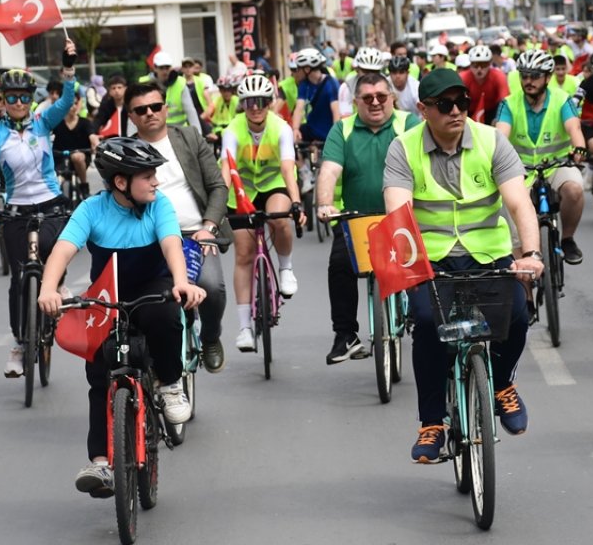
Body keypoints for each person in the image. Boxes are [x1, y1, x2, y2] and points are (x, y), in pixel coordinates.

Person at [382, 68, 543, 463]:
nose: (456, 111)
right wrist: (409, 269)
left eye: (462, 102)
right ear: (423, 109)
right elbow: (398, 214)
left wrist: (531, 255)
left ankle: (503, 384)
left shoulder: (491, 141)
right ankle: (431, 423)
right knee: (425, 324)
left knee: (518, 316)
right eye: (444, 104)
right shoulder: (403, 148)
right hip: (431, 259)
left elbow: (519, 203)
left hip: (488, 254)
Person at [37, 137, 206, 499]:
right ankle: (100, 461)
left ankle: (171, 383)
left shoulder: (159, 205)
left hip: (154, 284)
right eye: (147, 176)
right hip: (108, 292)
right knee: (99, 373)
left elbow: (171, 245)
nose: (156, 182)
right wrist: (49, 289)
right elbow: (63, 250)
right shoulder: (91, 210)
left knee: (164, 316)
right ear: (120, 182)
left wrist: (181, 283)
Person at [0, 39, 80, 377]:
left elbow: (66, 99)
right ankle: (20, 344)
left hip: (50, 203)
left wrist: (67, 67)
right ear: (2, 102)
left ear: (31, 98)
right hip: (17, 209)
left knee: (54, 249)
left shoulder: (42, 122)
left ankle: (59, 282)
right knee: (19, 277)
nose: (18, 103)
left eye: (24, 96)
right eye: (11, 98)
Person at [126, 81, 231, 371]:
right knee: (152, 299)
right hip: (149, 239)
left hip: (196, 233)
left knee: (211, 287)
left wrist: (208, 226)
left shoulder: (190, 137)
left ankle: (210, 337)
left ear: (166, 108)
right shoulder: (126, 149)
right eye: (141, 109)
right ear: (131, 116)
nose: (150, 113)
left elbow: (218, 187)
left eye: (155, 106)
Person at [315, 73, 420, 364]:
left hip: (401, 216)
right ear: (356, 101)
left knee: (424, 269)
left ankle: (423, 322)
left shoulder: (408, 124)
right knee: (338, 265)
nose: (375, 103)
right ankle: (345, 335)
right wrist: (325, 204)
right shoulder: (343, 129)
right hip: (355, 220)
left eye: (382, 97)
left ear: (392, 98)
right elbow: (329, 171)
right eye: (368, 98)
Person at [223, 74, 305, 352]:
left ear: (270, 103)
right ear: (242, 104)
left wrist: (296, 203)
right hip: (242, 189)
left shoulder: (280, 127)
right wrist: (219, 205)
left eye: (260, 101)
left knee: (280, 219)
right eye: (248, 102)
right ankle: (245, 328)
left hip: (274, 184)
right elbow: (226, 170)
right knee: (244, 254)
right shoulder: (232, 129)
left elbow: (286, 168)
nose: (255, 107)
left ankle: (285, 269)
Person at [495, 50, 588, 264]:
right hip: (521, 170)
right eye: (524, 76)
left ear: (547, 77)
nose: (529, 81)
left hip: (557, 165)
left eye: (535, 76)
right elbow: (500, 136)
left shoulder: (562, 100)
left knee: (574, 189)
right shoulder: (508, 104)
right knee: (513, 208)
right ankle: (527, 289)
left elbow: (574, 129)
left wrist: (580, 149)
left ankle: (567, 239)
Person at [51, 92, 99, 198]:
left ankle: (84, 185)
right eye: (69, 104)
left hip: (81, 159)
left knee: (77, 156)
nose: (72, 107)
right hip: (60, 159)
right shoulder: (56, 123)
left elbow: (93, 136)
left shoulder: (85, 123)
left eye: (75, 103)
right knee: (56, 185)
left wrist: (95, 144)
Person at [291, 48, 341, 144]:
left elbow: (336, 113)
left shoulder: (331, 84)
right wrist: (295, 129)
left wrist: (335, 137)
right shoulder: (304, 85)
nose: (296, 73)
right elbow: (299, 108)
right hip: (311, 130)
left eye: (299, 69)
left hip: (329, 133)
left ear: (307, 69)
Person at [459, 45, 510, 125]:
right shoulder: (463, 77)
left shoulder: (499, 76)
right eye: (475, 65)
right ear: (470, 65)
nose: (479, 69)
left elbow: (505, 101)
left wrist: (499, 118)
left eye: (483, 65)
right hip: (470, 111)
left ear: (490, 64)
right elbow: (458, 101)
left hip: (493, 111)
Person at [338, 48, 386, 118]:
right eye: (366, 71)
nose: (370, 76)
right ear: (357, 69)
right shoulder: (347, 88)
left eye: (375, 72)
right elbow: (345, 118)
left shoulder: (387, 84)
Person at [93, 75, 129, 139]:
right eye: (113, 88)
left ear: (125, 88)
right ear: (109, 91)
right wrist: (93, 134)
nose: (116, 91)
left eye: (119, 87)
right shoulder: (106, 105)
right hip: (112, 138)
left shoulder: (130, 104)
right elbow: (98, 120)